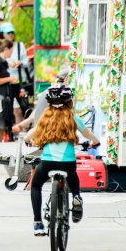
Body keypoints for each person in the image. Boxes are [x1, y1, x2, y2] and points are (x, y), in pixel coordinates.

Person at [22, 85, 100, 236]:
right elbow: (88, 134)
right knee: (72, 175)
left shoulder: (45, 118)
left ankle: (38, 223)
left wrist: (26, 139)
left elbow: (32, 132)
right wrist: (95, 142)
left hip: (47, 163)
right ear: (70, 101)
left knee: (36, 185)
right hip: (68, 162)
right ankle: (76, 197)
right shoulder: (72, 118)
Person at [0, 22, 32, 122]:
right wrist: (8, 64)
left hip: (20, 81)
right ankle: (10, 132)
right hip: (7, 82)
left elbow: (26, 62)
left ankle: (24, 129)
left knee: (23, 107)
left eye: (12, 32)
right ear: (2, 34)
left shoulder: (19, 45)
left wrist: (20, 63)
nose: (11, 35)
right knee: (9, 108)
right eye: (8, 33)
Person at [0, 39, 17, 147]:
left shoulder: (4, 63)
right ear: (6, 49)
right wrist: (9, 79)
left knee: (1, 124)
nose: (11, 53)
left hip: (3, 96)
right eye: (11, 50)